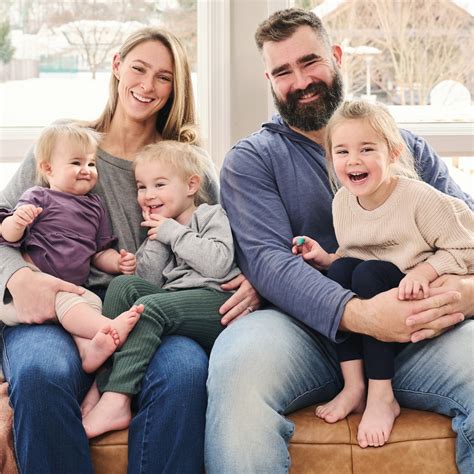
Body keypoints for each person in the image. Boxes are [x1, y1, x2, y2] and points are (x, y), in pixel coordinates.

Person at [205, 8, 474, 474]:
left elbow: (466, 230)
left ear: (335, 56)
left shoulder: (403, 146)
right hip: (299, 334)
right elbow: (270, 263)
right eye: (283, 72)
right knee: (237, 368)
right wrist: (364, 316)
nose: (301, 81)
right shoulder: (252, 160)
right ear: (269, 80)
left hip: (415, 330)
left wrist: (465, 294)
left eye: (310, 62)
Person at [0, 27, 259, 474]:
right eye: (139, 69)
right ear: (117, 66)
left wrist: (255, 282)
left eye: (164, 77)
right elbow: (4, 227)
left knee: (183, 374)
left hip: (153, 310)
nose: (148, 85)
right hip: (62, 305)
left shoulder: (188, 162)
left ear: (175, 87)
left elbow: (230, 241)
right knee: (41, 372)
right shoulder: (66, 144)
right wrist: (17, 277)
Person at [290, 100, 474, 448]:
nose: (353, 160)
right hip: (381, 288)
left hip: (417, 299)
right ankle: (355, 385)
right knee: (343, 270)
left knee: (369, 275)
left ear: (393, 153)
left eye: (366, 149)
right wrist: (327, 258)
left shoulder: (420, 200)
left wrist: (425, 270)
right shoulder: (343, 202)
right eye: (342, 151)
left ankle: (381, 394)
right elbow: (356, 252)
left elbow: (468, 249)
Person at [81, 140, 241, 438]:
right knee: (122, 285)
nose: (148, 195)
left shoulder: (210, 215)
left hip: (217, 303)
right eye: (142, 187)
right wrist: (157, 240)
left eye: (159, 184)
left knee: (149, 309)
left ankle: (117, 399)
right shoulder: (160, 230)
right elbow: (150, 281)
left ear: (191, 185)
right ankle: (101, 384)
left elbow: (218, 264)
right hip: (175, 304)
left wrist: (173, 233)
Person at [0, 123, 142, 374]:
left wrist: (117, 263)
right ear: (48, 169)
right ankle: (108, 328)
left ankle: (87, 350)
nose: (86, 170)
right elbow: (7, 236)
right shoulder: (38, 197)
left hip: (70, 290)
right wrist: (17, 222)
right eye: (76, 163)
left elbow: (99, 252)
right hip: (33, 290)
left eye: (91, 163)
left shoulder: (95, 207)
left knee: (91, 301)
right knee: (70, 303)